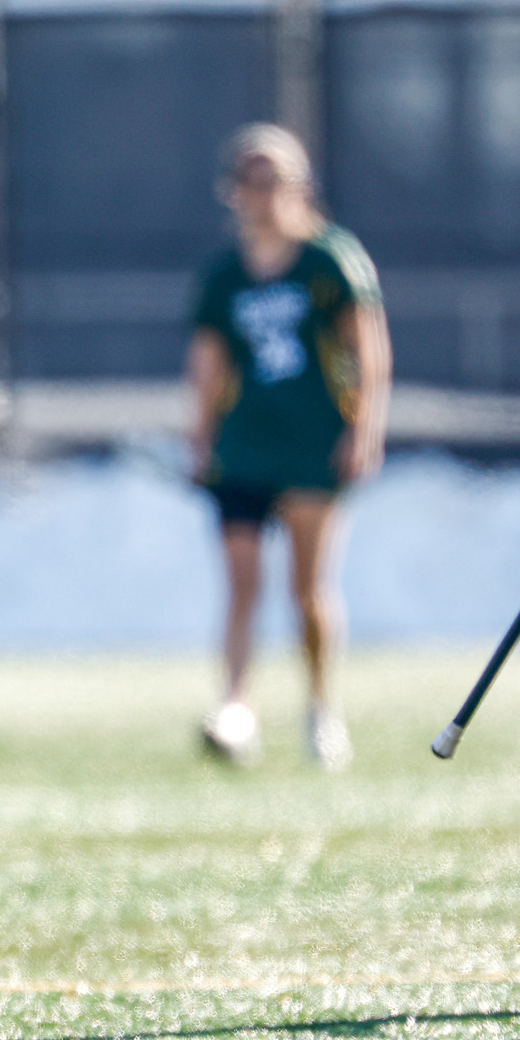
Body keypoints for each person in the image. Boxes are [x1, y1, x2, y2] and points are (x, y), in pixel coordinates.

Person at [187, 123, 391, 769]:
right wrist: (202, 435)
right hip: (246, 442)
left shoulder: (330, 259)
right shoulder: (224, 275)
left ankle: (320, 708)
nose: (262, 193)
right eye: (250, 180)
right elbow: (208, 361)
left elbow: (369, 351)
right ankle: (236, 707)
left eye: (274, 180)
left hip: (312, 442)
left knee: (307, 589)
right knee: (242, 580)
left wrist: (365, 429)